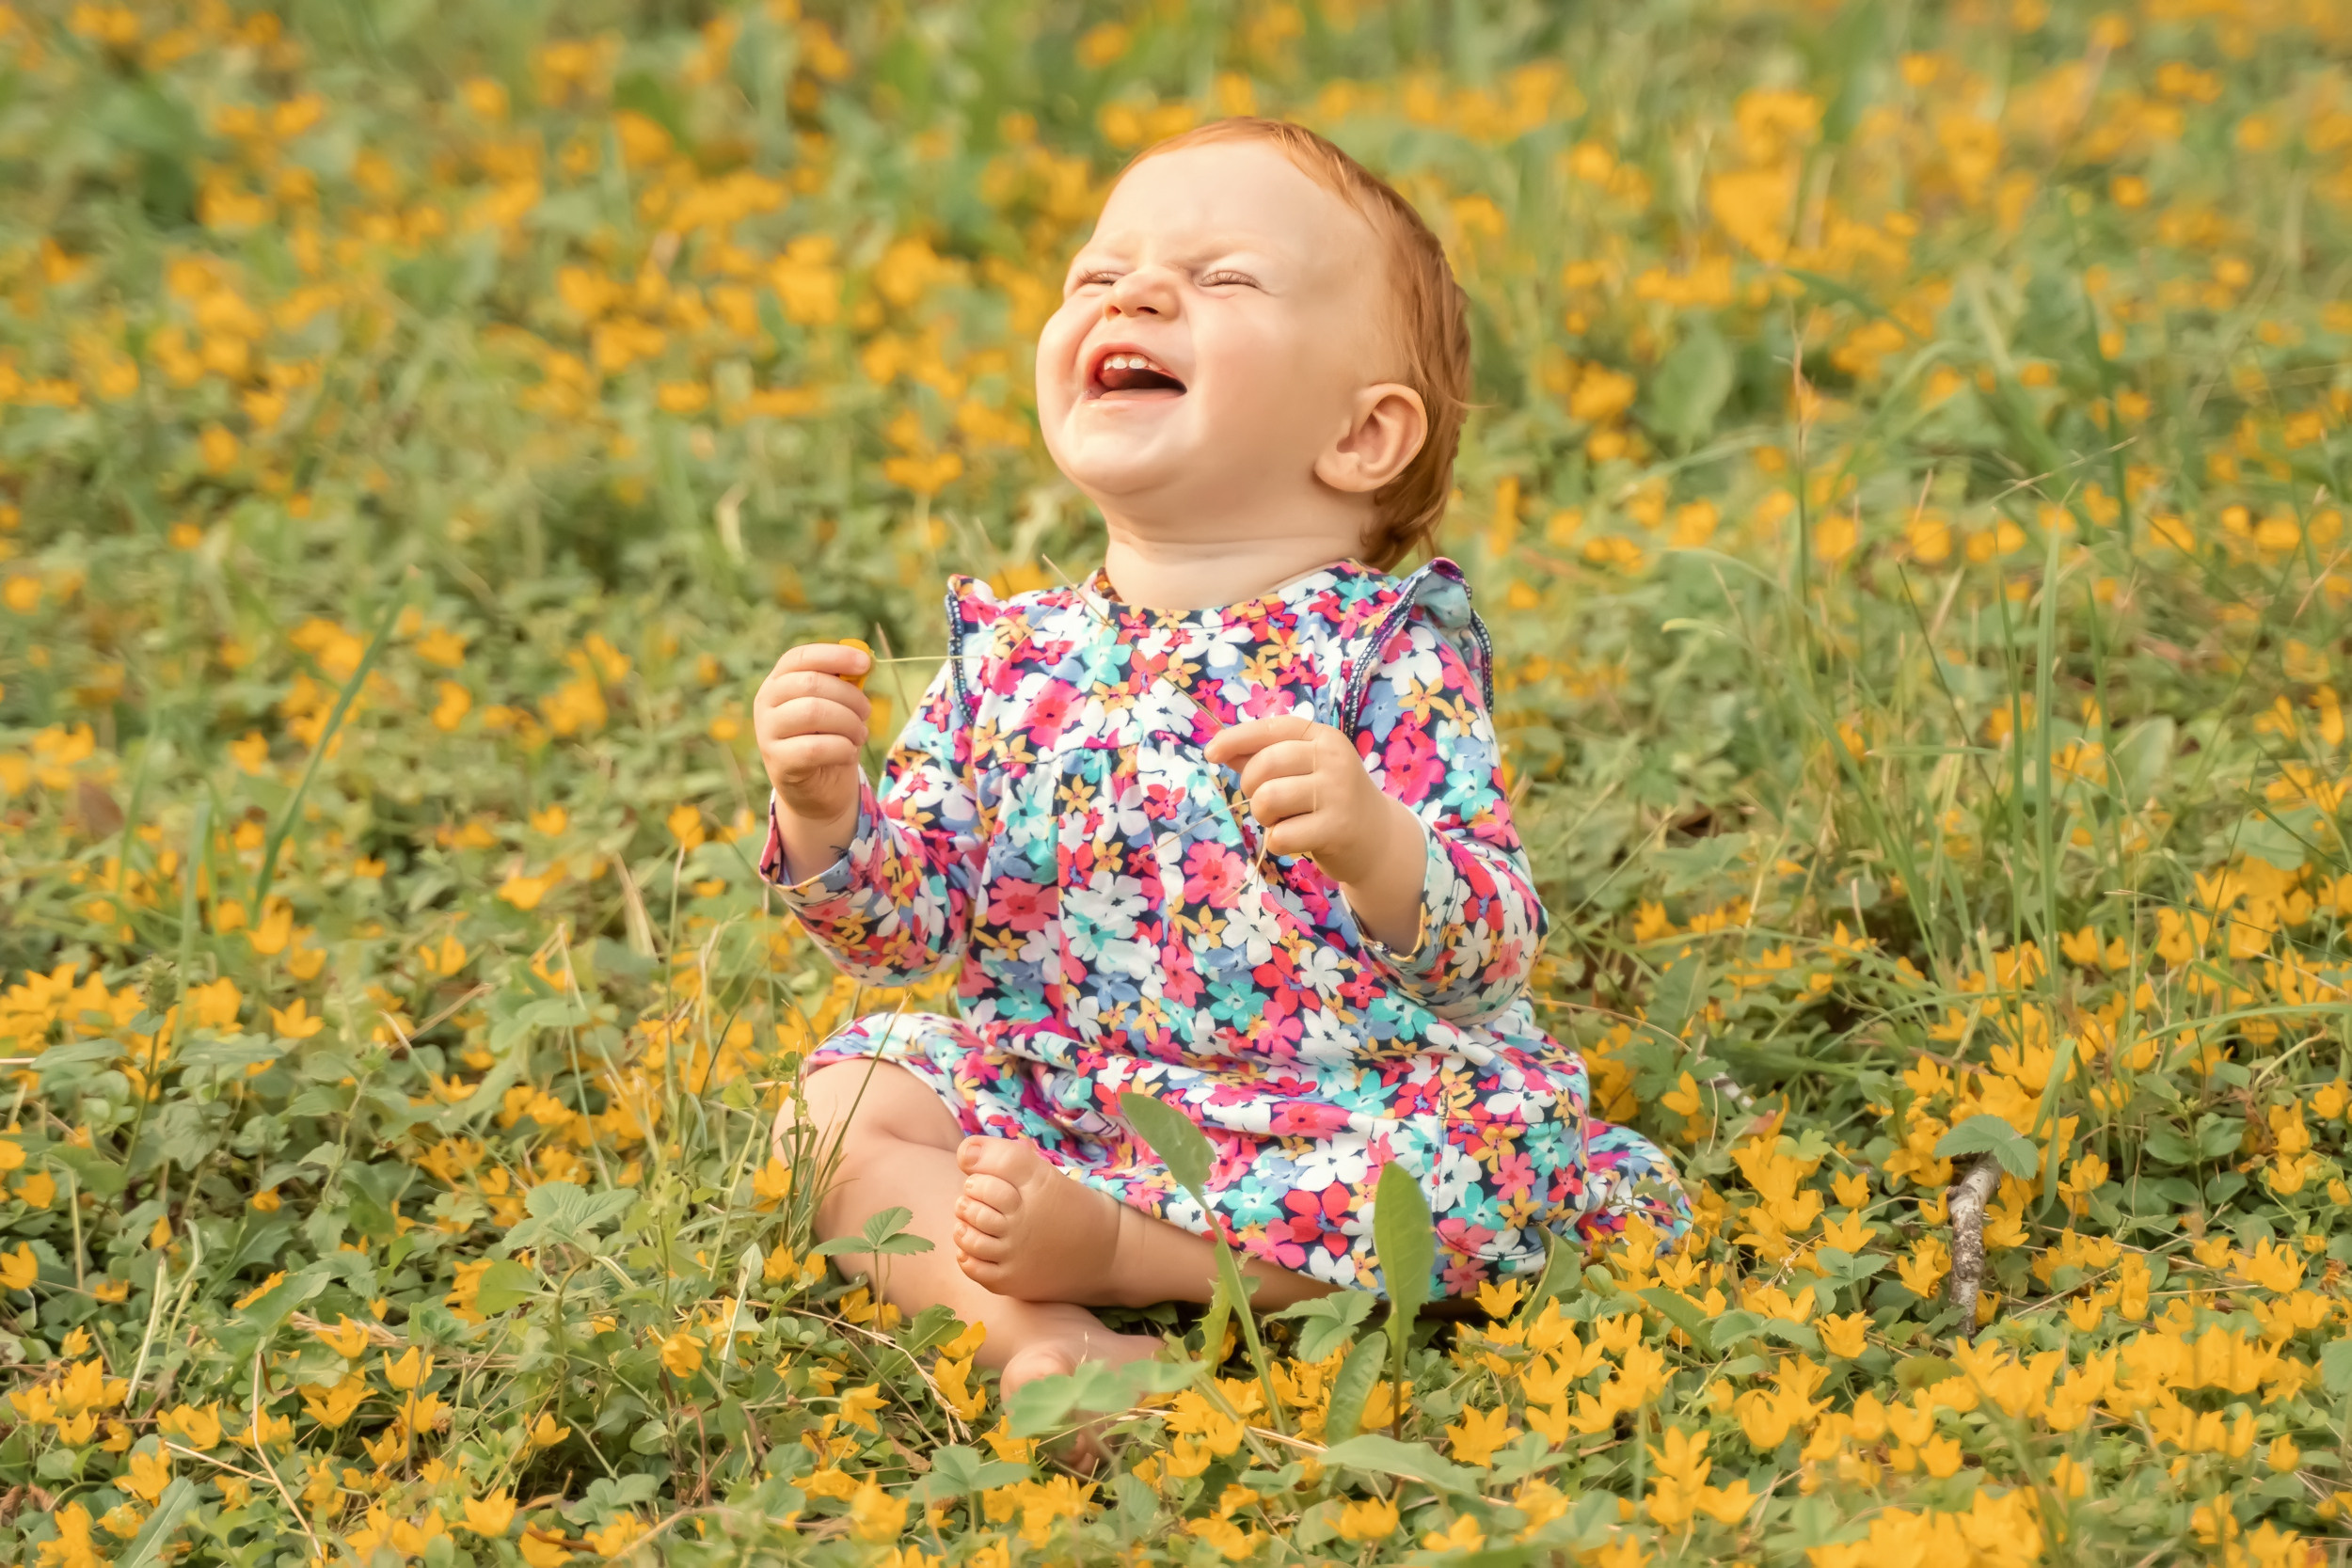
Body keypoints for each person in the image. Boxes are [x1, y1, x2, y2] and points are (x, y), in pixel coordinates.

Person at [752, 118, 1690, 1396]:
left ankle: (1130, 1256)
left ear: (1363, 437)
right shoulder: (1010, 659)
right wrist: (824, 815)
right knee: (836, 1115)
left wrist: (1378, 844)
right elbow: (908, 934)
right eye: (1100, 272)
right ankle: (1037, 1340)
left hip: (1332, 1106)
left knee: (1492, 1162)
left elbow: (1490, 957)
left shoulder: (1383, 654)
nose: (1133, 293)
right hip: (1062, 1091)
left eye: (1225, 277)